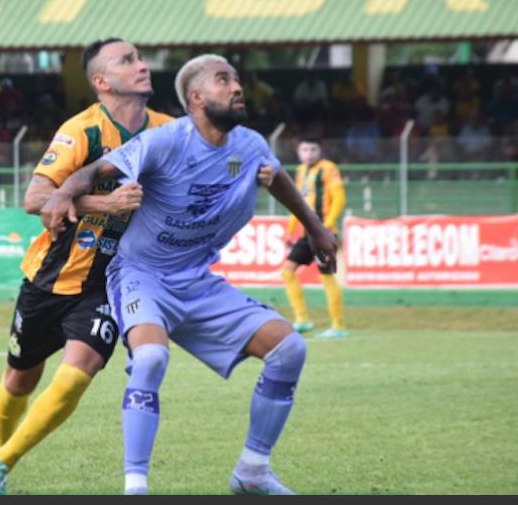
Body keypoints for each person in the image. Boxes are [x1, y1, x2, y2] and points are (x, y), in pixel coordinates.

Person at [40, 54, 338, 495]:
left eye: (236, 79)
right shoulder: (166, 141)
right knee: (150, 359)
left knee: (289, 349)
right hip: (141, 274)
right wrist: (63, 192)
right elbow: (96, 170)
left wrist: (316, 230)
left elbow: (276, 179)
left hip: (196, 280)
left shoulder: (250, 145)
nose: (237, 87)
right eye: (223, 80)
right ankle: (136, 487)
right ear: (196, 97)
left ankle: (253, 471)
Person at [0, 38, 174, 495]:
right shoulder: (82, 130)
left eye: (140, 58)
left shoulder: (167, 130)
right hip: (52, 275)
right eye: (128, 60)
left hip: (113, 279)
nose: (142, 65)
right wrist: (106, 204)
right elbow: (36, 199)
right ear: (102, 81)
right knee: (19, 379)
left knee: (79, 370)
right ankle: (0, 454)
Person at [280, 137, 349, 339]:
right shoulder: (301, 171)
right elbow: (298, 203)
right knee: (287, 272)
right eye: (305, 150)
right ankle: (302, 319)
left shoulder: (328, 168)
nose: (309, 154)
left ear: (320, 151)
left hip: (323, 234)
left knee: (326, 276)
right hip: (306, 234)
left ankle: (338, 326)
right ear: (298, 152)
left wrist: (326, 227)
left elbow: (339, 198)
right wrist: (290, 229)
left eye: (313, 149)